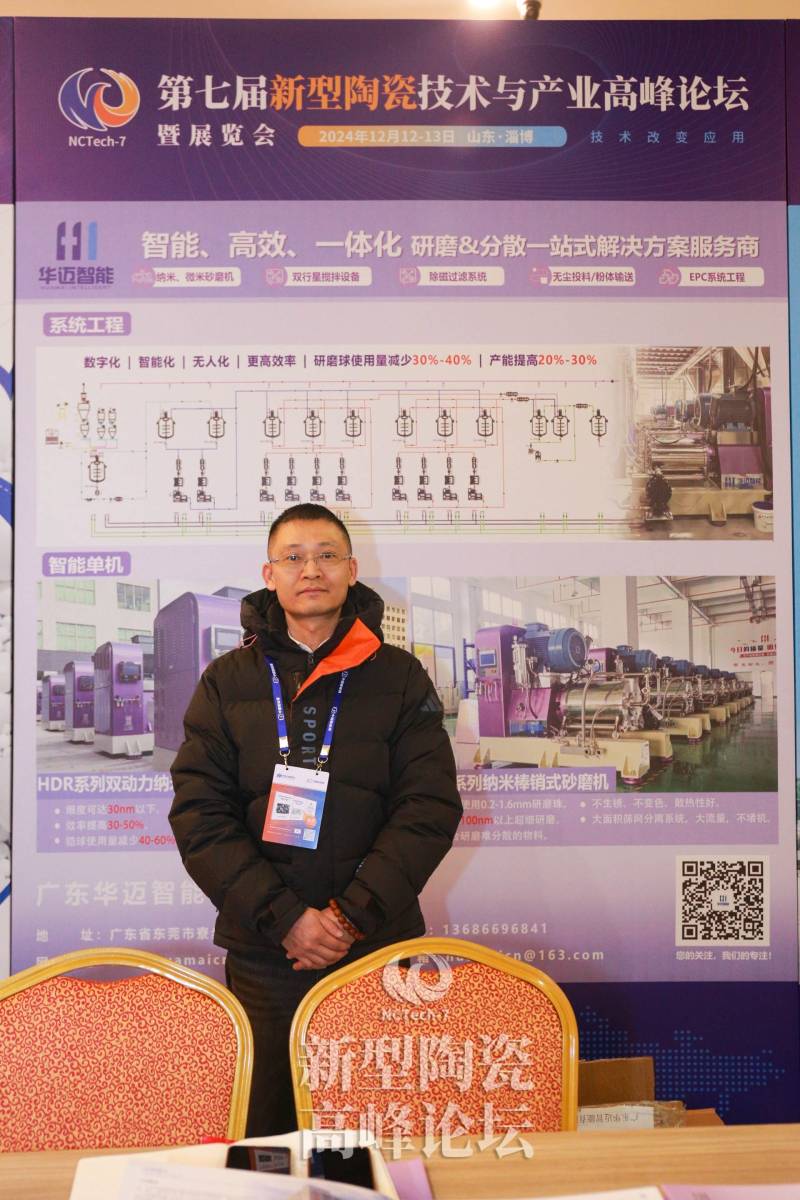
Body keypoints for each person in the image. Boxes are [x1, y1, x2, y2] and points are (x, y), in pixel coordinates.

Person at [169, 503, 462, 1135]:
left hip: (375, 943)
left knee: (378, 1118)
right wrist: (285, 920)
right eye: (294, 557)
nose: (311, 570)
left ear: (352, 570)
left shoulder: (400, 676)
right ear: (268, 574)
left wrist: (350, 916)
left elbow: (429, 807)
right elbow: (200, 814)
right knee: (269, 1125)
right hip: (265, 952)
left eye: (327, 555)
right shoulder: (226, 681)